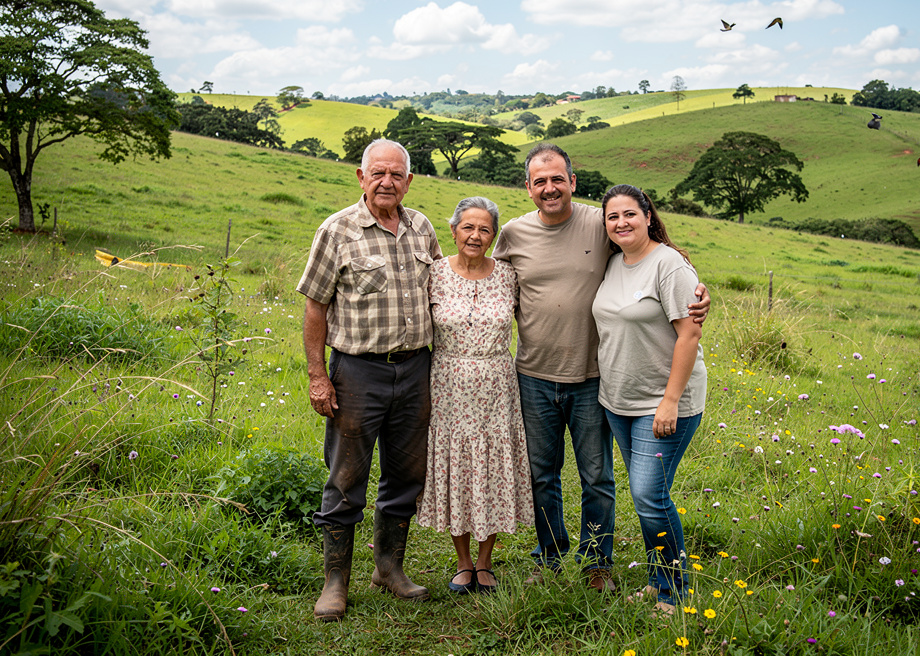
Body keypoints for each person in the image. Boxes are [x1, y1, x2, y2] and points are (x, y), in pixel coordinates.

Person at [491, 143, 709, 591]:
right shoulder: (512, 234)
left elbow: (657, 257)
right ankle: (548, 557)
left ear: (573, 181)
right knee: (541, 475)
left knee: (597, 477)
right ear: (527, 187)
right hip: (532, 374)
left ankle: (597, 565)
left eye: (558, 179)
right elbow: (486, 283)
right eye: (540, 181)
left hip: (593, 379)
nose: (549, 188)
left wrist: (698, 295)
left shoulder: (602, 220)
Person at [297, 138, 442, 622]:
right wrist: (319, 377)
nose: (387, 182)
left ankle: (388, 569)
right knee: (345, 478)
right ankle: (335, 581)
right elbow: (315, 305)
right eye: (377, 173)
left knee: (407, 475)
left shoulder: (422, 228)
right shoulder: (336, 230)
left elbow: (441, 293)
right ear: (361, 177)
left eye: (396, 174)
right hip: (358, 371)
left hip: (416, 369)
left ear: (408, 180)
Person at [591, 184, 706, 617]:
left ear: (648, 216)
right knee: (649, 497)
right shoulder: (615, 262)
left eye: (629, 214)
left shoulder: (669, 265)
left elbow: (689, 333)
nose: (621, 223)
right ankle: (661, 580)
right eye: (612, 217)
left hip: (663, 403)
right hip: (618, 400)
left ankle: (674, 593)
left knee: (648, 494)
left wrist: (670, 400)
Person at [417, 196, 533, 594]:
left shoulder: (508, 275)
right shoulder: (433, 273)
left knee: (492, 466)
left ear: (493, 236)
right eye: (467, 227)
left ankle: (485, 563)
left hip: (497, 383)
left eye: (484, 229)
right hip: (448, 382)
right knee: (458, 465)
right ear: (453, 231)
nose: (475, 235)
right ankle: (463, 562)